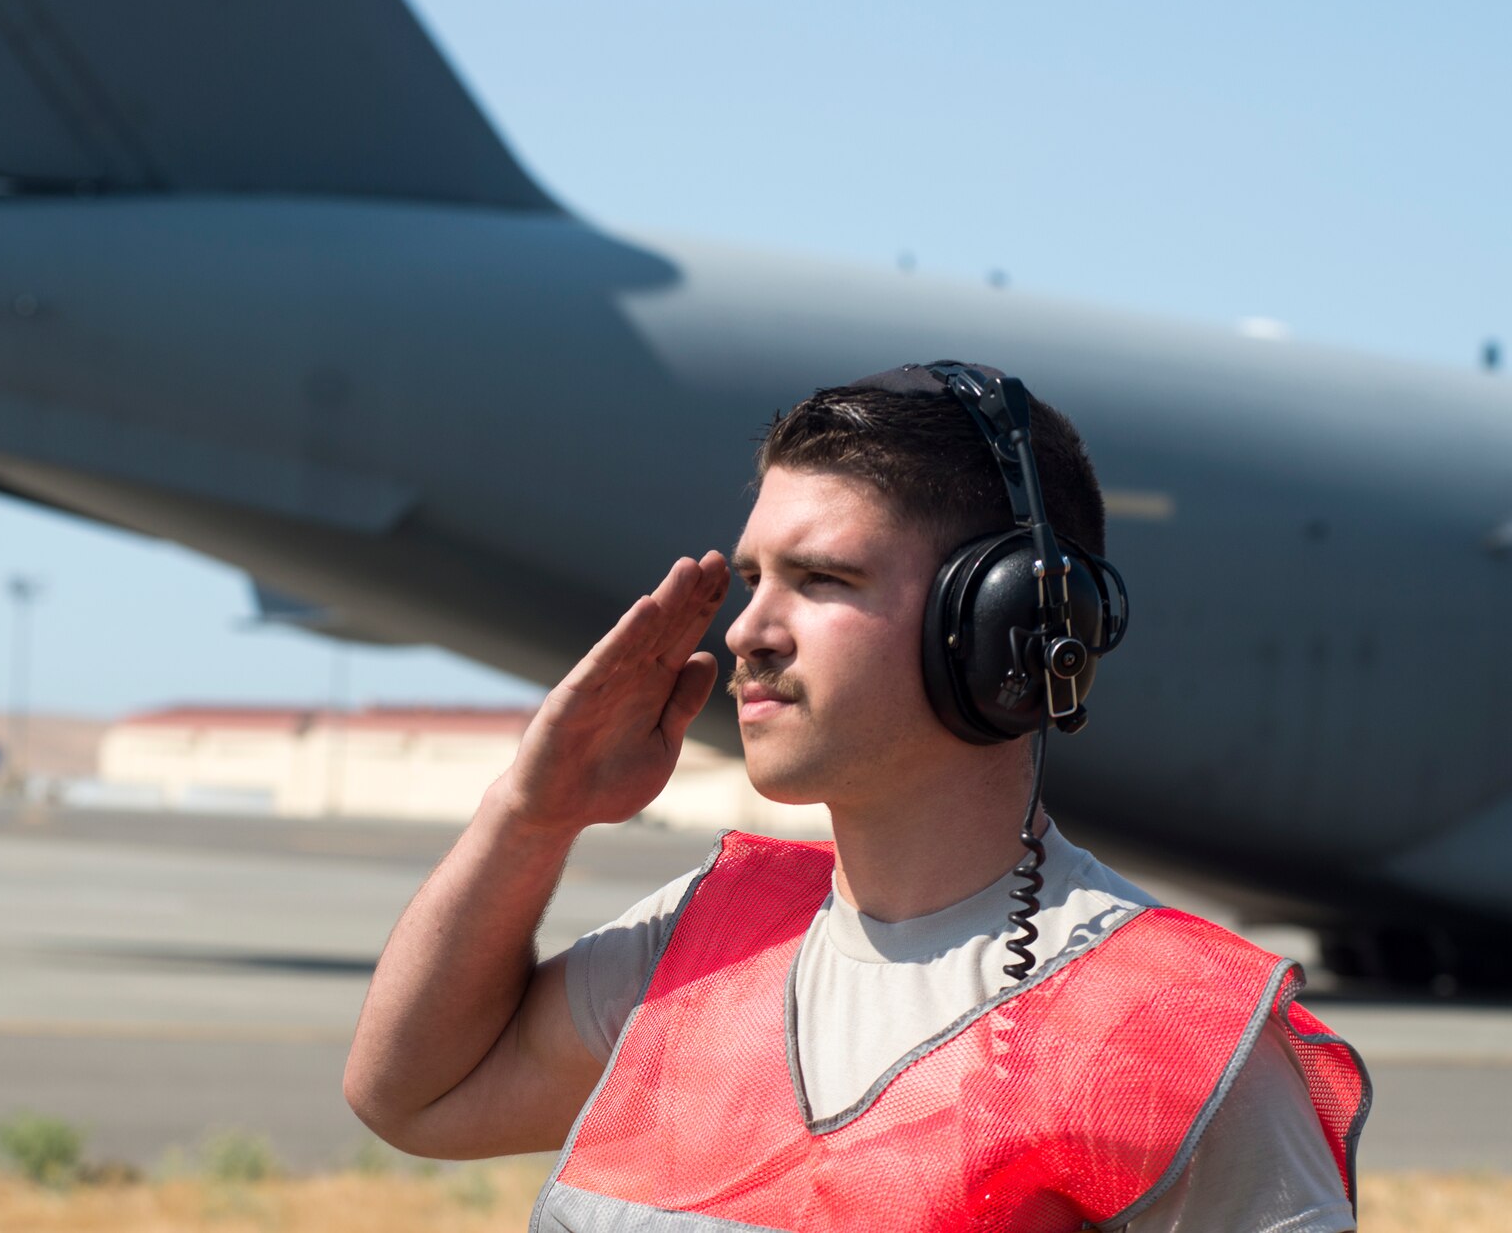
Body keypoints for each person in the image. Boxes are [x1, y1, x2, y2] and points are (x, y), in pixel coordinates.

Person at [344, 364, 1367, 1231]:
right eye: (751, 580)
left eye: (821, 579)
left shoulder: (1171, 1030)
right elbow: (414, 1095)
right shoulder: (700, 942)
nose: (748, 629)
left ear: (1006, 621)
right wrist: (531, 812)